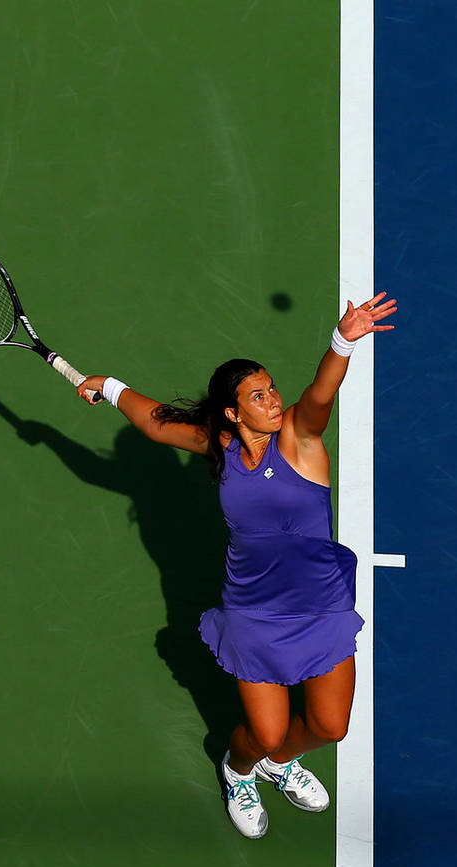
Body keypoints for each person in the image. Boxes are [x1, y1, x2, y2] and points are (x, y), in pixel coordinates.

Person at [76, 293, 396, 837]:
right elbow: (155, 424)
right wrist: (107, 387)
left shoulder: (300, 436)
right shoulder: (219, 446)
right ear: (233, 412)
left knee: (328, 726)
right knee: (265, 734)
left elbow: (322, 393)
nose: (273, 400)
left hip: (320, 606)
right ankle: (242, 767)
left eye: (271, 389)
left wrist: (343, 339)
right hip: (253, 611)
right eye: (258, 395)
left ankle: (280, 764)